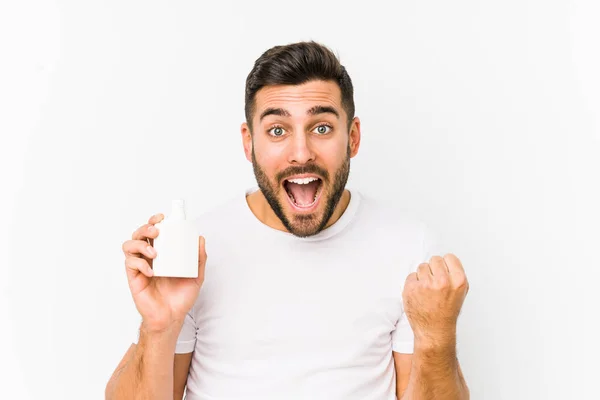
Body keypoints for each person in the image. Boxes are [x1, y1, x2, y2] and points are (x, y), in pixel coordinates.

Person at [105, 41, 470, 400]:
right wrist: (159, 327)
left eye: (322, 128)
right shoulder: (195, 252)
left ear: (353, 137)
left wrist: (436, 338)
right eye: (277, 130)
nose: (301, 153)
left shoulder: (407, 248)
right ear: (249, 143)